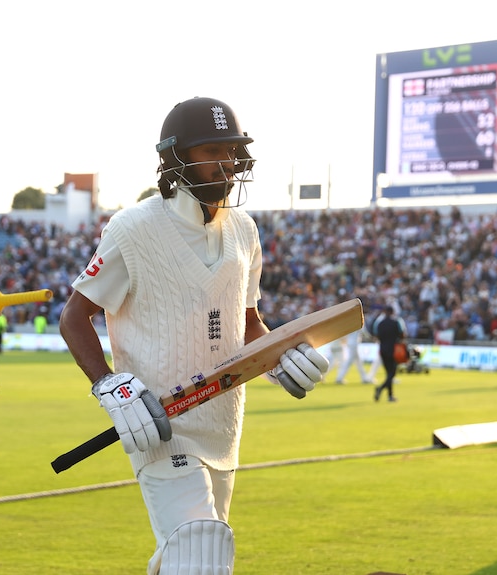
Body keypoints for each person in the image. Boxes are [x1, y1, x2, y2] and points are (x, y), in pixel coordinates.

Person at [58, 96, 330, 575]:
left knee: (198, 558)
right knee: (198, 549)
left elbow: (247, 325)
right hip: (158, 424)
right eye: (211, 151)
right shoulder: (132, 228)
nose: (225, 164)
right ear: (174, 158)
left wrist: (281, 355)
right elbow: (74, 317)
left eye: (231, 152)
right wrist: (108, 384)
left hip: (223, 424)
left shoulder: (244, 230)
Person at [374, 306, 404, 402]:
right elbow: (402, 334)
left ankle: (390, 396)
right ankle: (381, 388)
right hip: (393, 350)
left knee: (388, 373)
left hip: (383, 350)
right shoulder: (396, 322)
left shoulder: (380, 323)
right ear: (392, 312)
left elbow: (377, 335)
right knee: (392, 373)